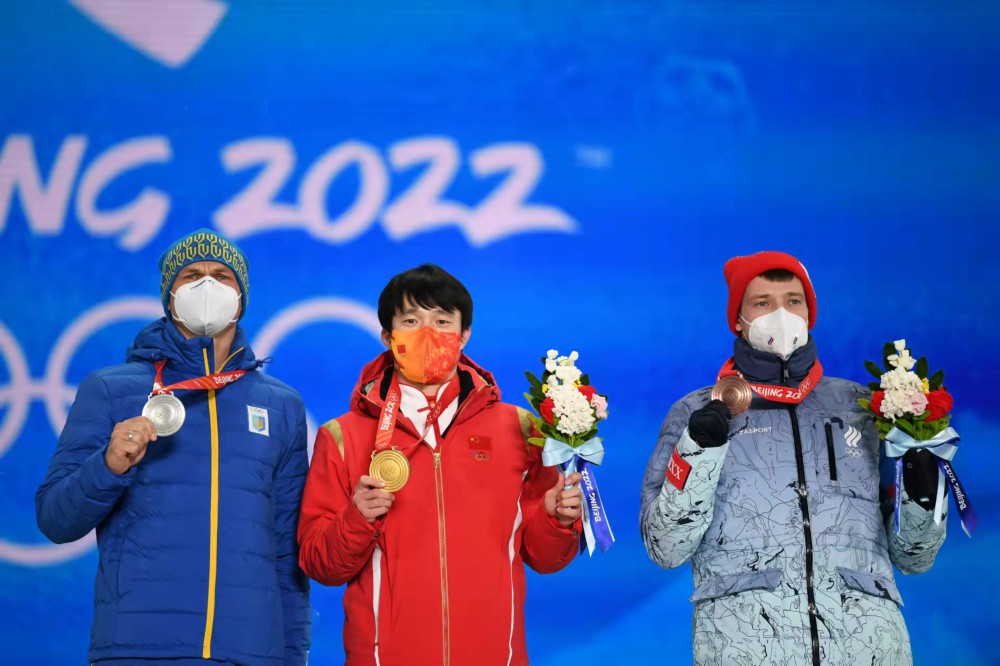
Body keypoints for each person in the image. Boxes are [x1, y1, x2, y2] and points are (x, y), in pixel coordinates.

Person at [639, 251, 946, 666]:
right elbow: (666, 547)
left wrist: (923, 493)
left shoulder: (863, 407)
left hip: (869, 646)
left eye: (793, 301)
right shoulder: (696, 411)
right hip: (747, 648)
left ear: (809, 314)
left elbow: (915, 557)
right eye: (762, 303)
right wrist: (700, 449)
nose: (780, 314)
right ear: (738, 319)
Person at [36, 229, 311, 665]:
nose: (208, 286)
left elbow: (286, 551)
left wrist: (293, 655)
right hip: (137, 648)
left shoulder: (280, 405)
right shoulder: (110, 389)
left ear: (241, 296)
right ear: (169, 296)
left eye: (222, 276)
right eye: (191, 276)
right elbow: (54, 519)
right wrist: (108, 466)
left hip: (248, 652)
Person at [298, 263, 583, 665]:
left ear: (464, 335)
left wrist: (556, 520)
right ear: (387, 336)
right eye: (411, 321)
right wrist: (356, 519)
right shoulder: (343, 437)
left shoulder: (519, 429)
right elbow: (319, 563)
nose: (428, 333)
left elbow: (544, 556)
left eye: (443, 321)